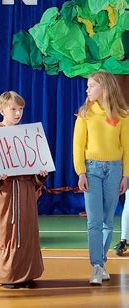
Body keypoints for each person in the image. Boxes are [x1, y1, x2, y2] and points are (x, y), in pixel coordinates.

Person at [0, 91, 47, 289]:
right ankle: (8, 275)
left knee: (26, 230)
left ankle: (27, 273)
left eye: (21, 109)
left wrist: (41, 172)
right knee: (5, 231)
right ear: (2, 110)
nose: (18, 113)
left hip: (25, 190)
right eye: (13, 109)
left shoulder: (27, 134)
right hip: (4, 193)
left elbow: (36, 161)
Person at [73, 71, 128, 284]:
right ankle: (96, 265)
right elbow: (78, 146)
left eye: (92, 86)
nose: (87, 90)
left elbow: (127, 147)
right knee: (94, 221)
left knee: (107, 220)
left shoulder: (122, 116)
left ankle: (102, 263)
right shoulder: (85, 114)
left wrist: (126, 175)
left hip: (115, 170)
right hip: (92, 170)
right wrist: (81, 172)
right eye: (88, 86)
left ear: (104, 87)